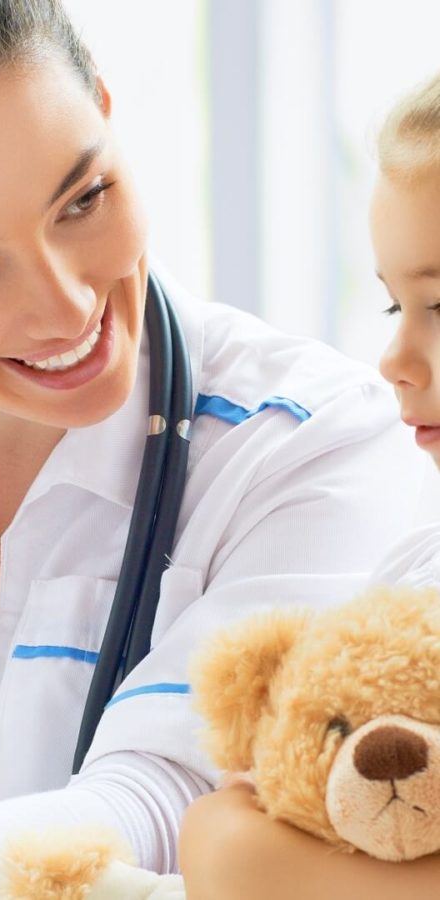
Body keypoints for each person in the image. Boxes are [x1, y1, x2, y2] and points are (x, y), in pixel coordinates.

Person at [0, 2, 424, 898]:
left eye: (84, 199)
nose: (69, 308)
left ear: (107, 110)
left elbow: (166, 807)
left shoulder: (312, 442)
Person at [179, 70, 440, 900]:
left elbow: (234, 845)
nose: (393, 365)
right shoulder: (416, 577)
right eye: (397, 308)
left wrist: (237, 856)